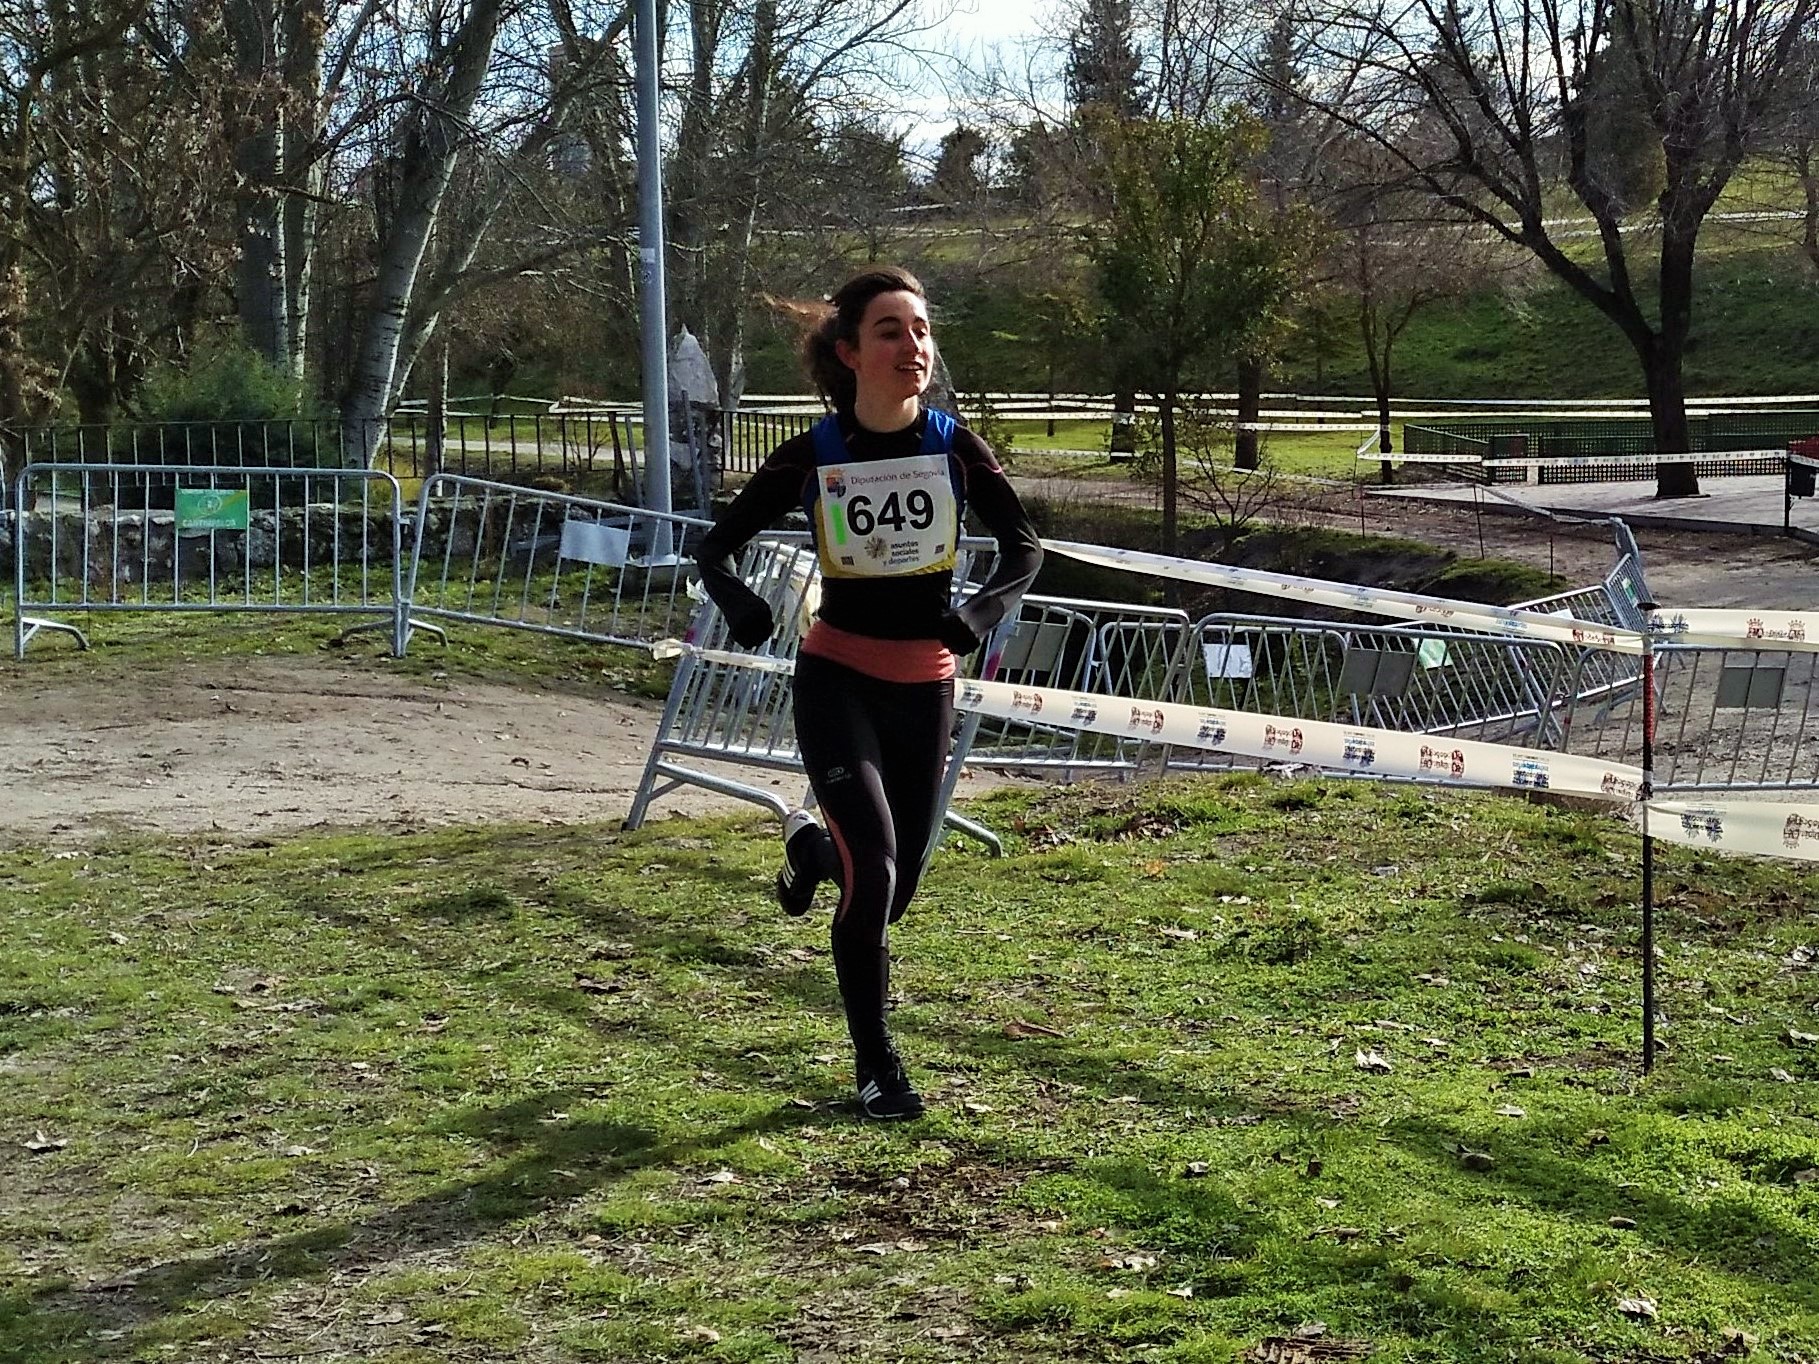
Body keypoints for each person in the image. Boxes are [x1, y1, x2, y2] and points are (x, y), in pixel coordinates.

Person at [694, 267, 1043, 1120]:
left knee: (896, 883)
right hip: (837, 675)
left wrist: (981, 610)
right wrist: (740, 603)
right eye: (891, 331)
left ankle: (810, 854)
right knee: (876, 872)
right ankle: (876, 1066)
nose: (912, 347)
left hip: (923, 684)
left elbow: (1025, 548)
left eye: (921, 331)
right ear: (850, 352)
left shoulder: (953, 445)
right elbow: (715, 548)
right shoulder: (815, 454)